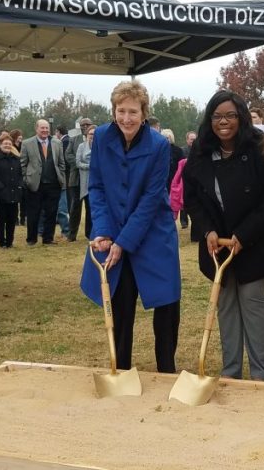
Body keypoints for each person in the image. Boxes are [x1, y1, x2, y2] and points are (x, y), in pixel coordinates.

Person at [183, 90, 264, 382]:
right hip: (218, 244)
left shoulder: (261, 146)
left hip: (256, 240)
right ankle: (230, 372)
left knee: (252, 300)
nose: (223, 122)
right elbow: (192, 197)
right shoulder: (201, 150)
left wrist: (243, 235)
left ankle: (261, 374)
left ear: (241, 117)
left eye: (230, 115)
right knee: (226, 304)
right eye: (217, 116)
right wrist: (207, 229)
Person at [79, 80, 181, 374]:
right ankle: (120, 367)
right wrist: (103, 230)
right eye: (121, 111)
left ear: (144, 113)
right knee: (120, 301)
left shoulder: (159, 145)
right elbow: (97, 186)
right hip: (112, 229)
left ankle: (166, 368)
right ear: (113, 111)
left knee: (166, 302)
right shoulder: (101, 137)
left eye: (133, 112)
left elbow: (151, 198)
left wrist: (124, 242)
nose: (126, 118)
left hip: (153, 233)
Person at [20, 119, 66, 245]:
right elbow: (22, 164)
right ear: (37, 129)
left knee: (51, 213)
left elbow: (61, 163)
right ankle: (31, 239)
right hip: (34, 185)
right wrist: (26, 180)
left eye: (47, 128)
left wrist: (61, 177)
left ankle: (48, 238)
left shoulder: (57, 143)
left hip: (53, 184)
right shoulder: (27, 143)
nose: (45, 130)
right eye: (42, 128)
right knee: (33, 213)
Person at [65, 118, 94, 241]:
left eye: (87, 124)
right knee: (75, 207)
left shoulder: (96, 139)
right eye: (83, 125)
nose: (85, 126)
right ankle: (72, 234)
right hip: (76, 178)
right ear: (80, 126)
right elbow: (68, 155)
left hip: (90, 178)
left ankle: (89, 233)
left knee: (90, 207)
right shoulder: (74, 139)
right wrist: (79, 165)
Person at [75, 124, 95, 239]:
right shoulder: (81, 147)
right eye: (90, 134)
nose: (92, 136)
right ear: (87, 135)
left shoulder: (101, 146)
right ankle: (88, 233)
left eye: (94, 134)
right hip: (86, 181)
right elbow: (78, 163)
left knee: (96, 209)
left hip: (98, 181)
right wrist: (90, 166)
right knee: (88, 208)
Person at [178, 131, 197, 230]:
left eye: (195, 139)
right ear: (187, 140)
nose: (193, 141)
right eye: (191, 139)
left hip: (197, 178)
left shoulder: (200, 149)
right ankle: (184, 221)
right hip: (185, 178)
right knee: (184, 200)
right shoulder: (182, 150)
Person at [9, 129, 26, 225]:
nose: (21, 137)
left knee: (24, 198)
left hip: (22, 173)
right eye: (19, 135)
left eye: (21, 135)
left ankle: (23, 217)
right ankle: (15, 218)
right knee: (14, 198)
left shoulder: (23, 145)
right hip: (14, 173)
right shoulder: (11, 147)